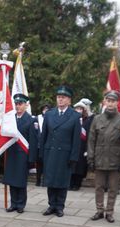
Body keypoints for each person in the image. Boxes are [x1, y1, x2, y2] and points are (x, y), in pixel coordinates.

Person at [87, 91, 120, 223]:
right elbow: (91, 140)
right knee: (98, 187)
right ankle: (99, 210)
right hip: (99, 158)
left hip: (115, 160)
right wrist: (91, 158)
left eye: (113, 101)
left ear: (117, 102)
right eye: (108, 100)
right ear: (104, 102)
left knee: (113, 188)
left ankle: (109, 212)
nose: (110, 103)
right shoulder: (97, 119)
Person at [40, 85, 82, 217]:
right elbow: (44, 136)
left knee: (62, 181)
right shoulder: (49, 114)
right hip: (50, 152)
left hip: (65, 154)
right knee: (50, 180)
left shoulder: (74, 116)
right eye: (58, 97)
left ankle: (59, 206)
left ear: (69, 100)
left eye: (63, 98)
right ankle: (51, 205)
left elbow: (76, 140)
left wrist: (74, 157)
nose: (60, 100)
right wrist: (42, 153)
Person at [2, 94, 38, 213]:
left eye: (20, 104)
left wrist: (31, 159)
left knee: (20, 180)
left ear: (25, 105)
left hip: (23, 154)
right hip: (11, 153)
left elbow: (33, 140)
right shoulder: (11, 119)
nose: (18, 106)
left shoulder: (31, 120)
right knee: (12, 179)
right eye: (16, 104)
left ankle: (21, 204)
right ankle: (13, 203)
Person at [70, 98, 94, 191]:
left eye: (81, 109)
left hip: (83, 146)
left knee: (80, 166)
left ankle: (77, 184)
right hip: (73, 145)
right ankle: (70, 183)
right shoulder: (72, 119)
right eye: (77, 109)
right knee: (72, 165)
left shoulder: (88, 120)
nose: (79, 110)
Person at [35, 104, 51, 186]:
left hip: (47, 146)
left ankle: (45, 181)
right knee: (39, 164)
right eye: (44, 109)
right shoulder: (37, 118)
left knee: (46, 164)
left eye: (47, 109)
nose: (45, 110)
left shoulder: (51, 118)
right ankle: (38, 180)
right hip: (38, 145)